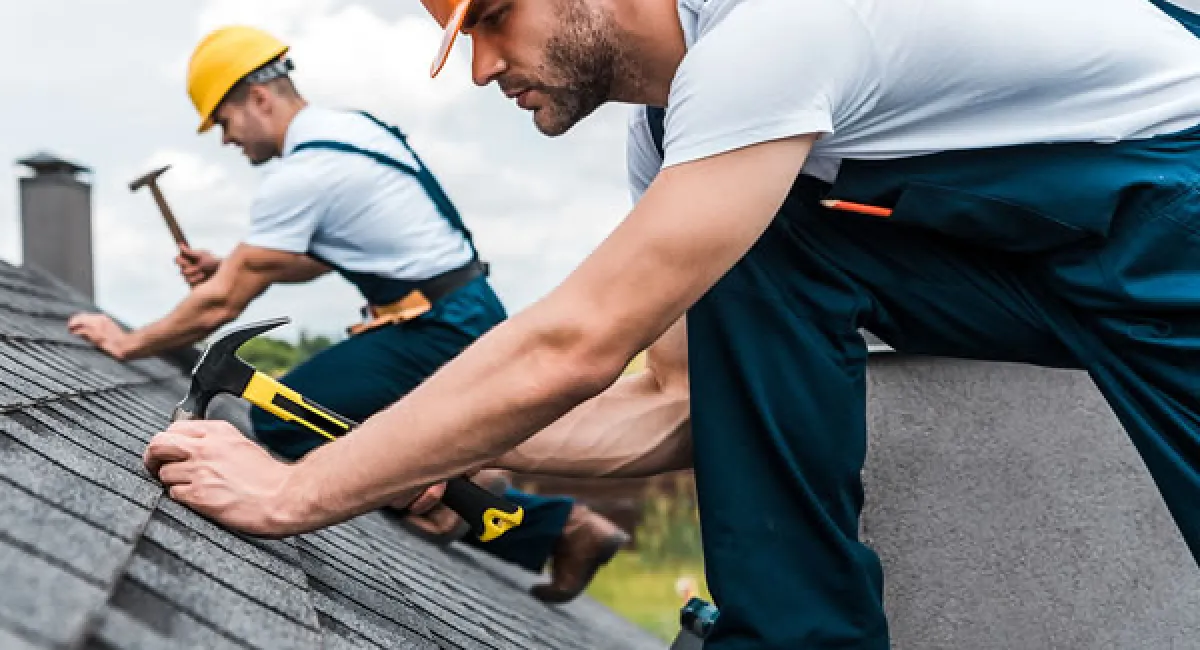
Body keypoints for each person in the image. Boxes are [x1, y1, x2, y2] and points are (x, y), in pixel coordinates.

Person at [142, 0, 1200, 647]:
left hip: (1174, 204)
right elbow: (675, 402)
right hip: (1053, 250)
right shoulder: (680, 143)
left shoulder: (777, 30)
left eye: (497, 15)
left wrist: (297, 487)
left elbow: (576, 341)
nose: (479, 68)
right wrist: (404, 450)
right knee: (768, 247)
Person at [67, 25, 627, 603]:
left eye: (225, 123)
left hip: (434, 327)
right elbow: (312, 260)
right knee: (368, 433)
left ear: (258, 98)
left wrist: (127, 342)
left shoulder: (304, 170)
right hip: (457, 312)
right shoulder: (351, 132)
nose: (227, 141)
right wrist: (231, 265)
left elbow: (222, 303)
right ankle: (488, 499)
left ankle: (507, 509)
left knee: (284, 420)